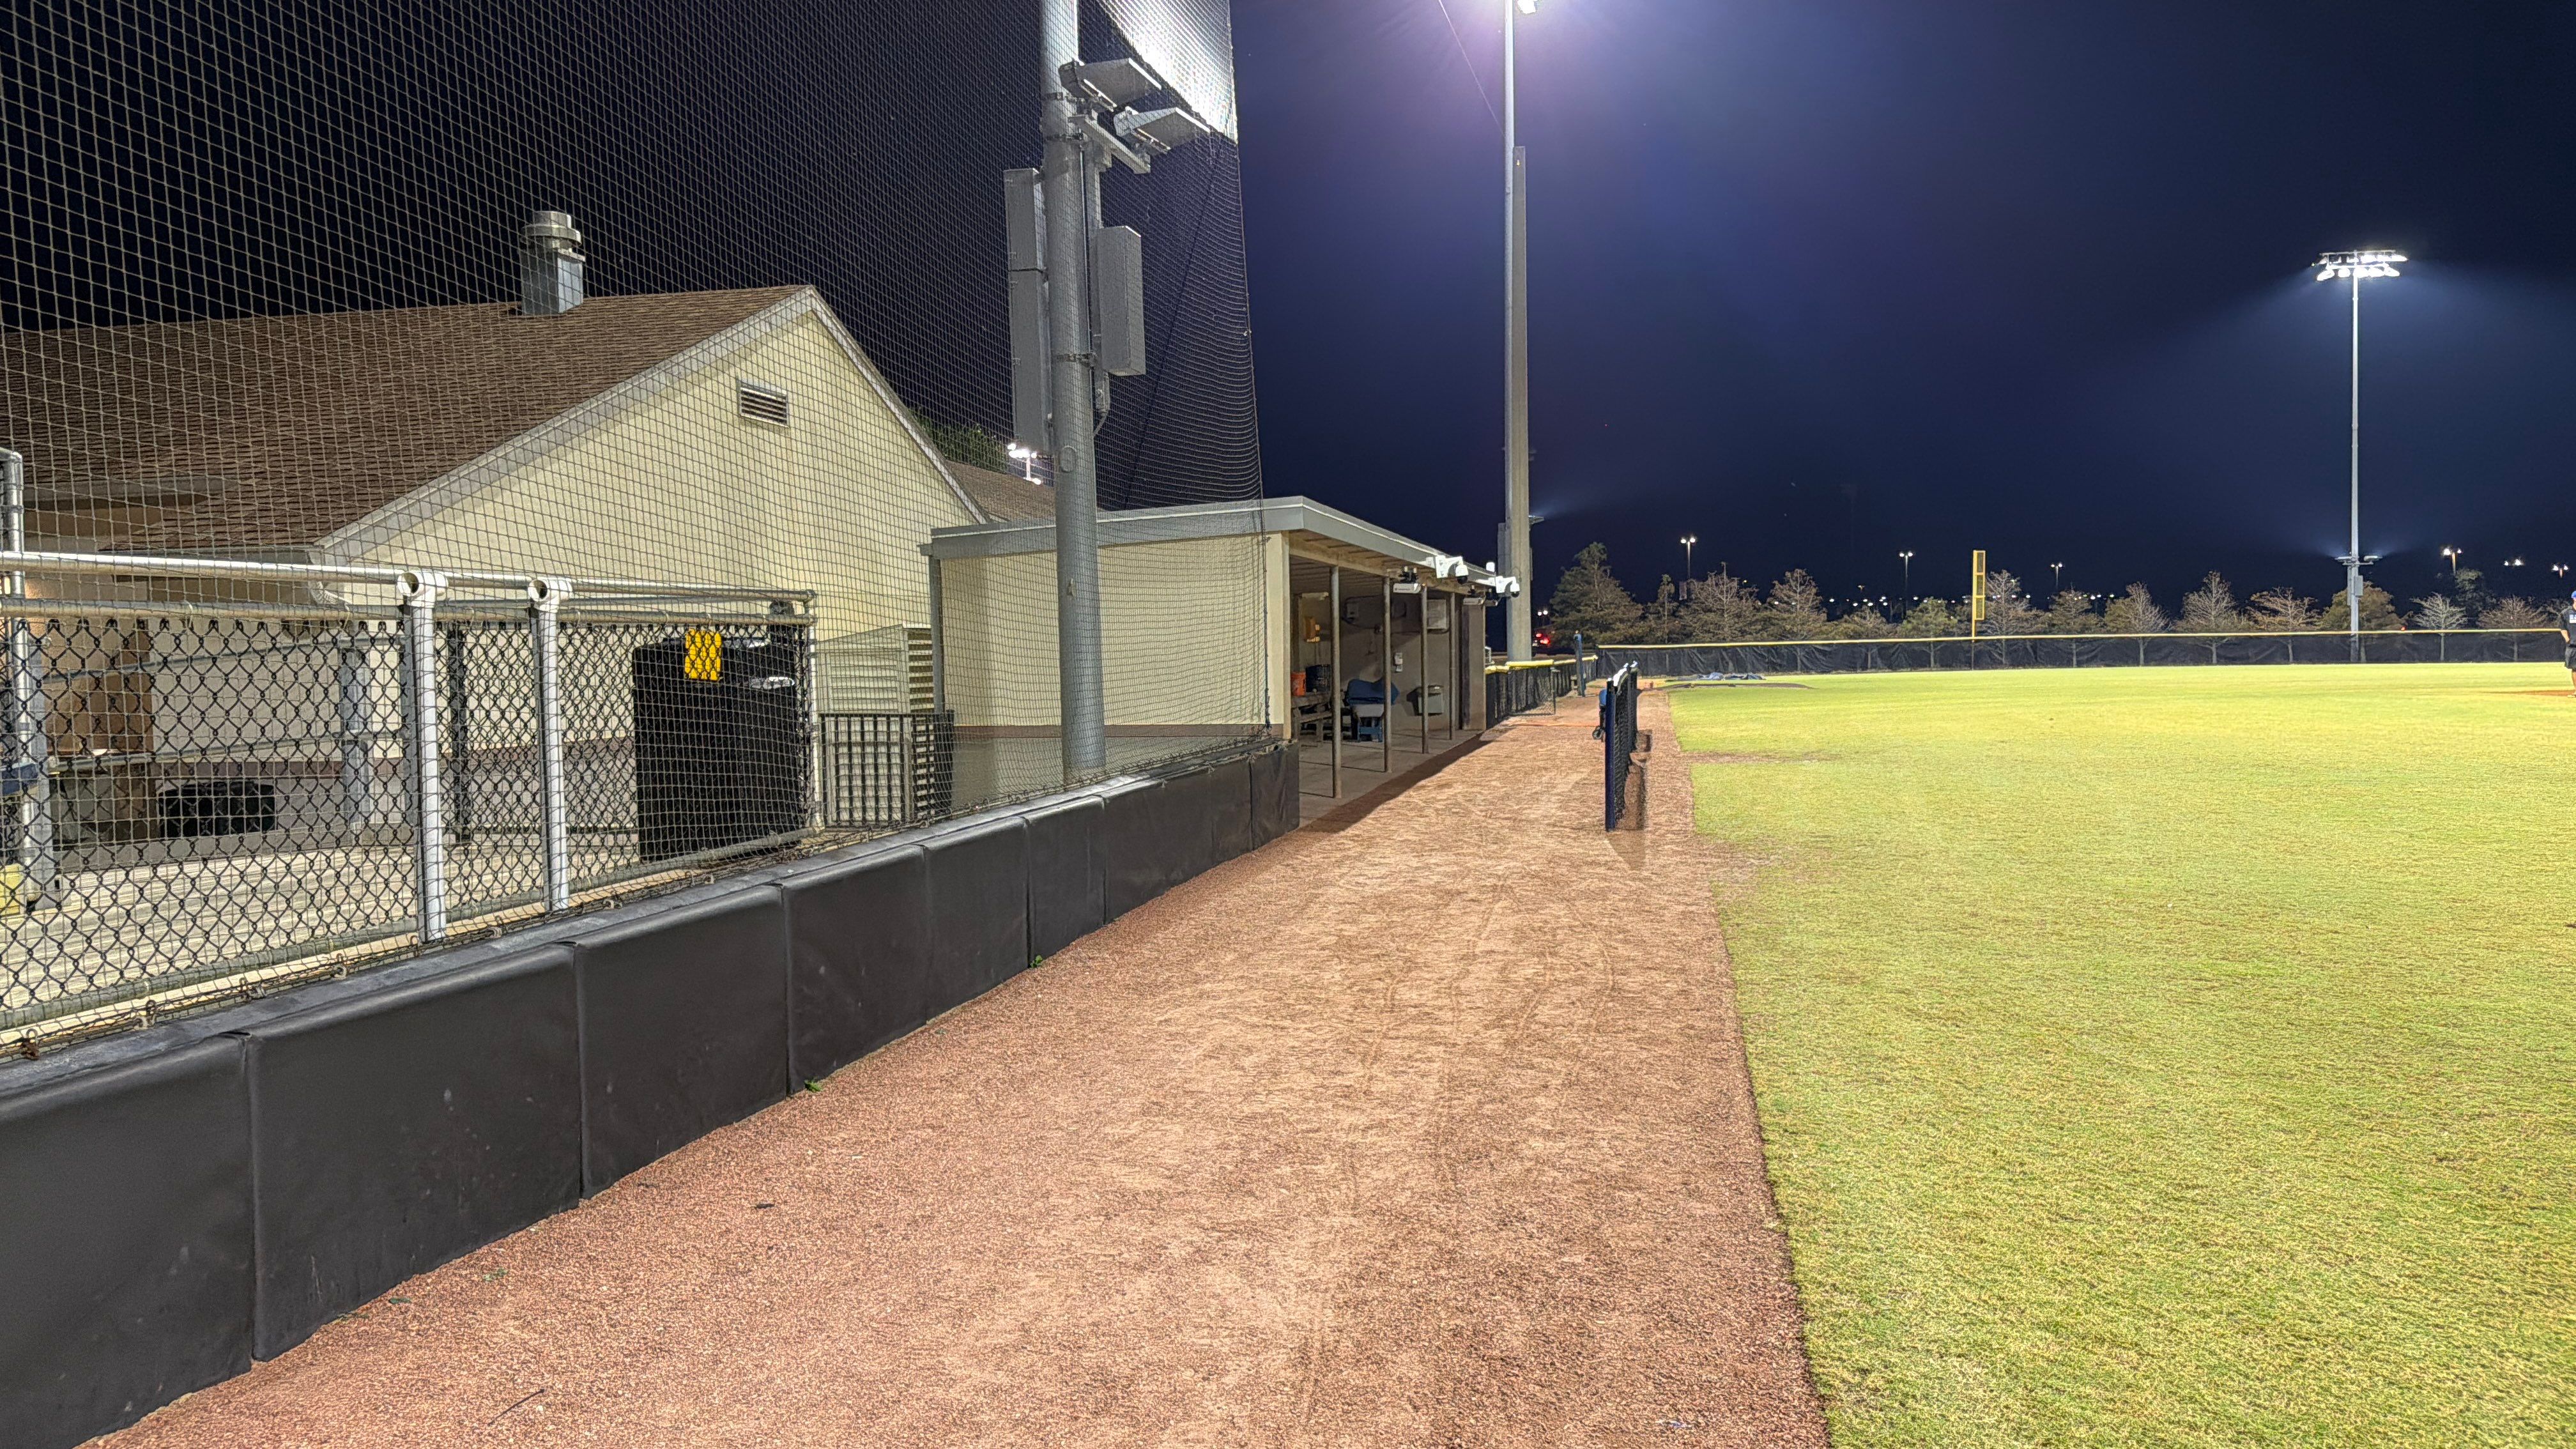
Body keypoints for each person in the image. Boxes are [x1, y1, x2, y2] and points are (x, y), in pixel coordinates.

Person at [2563, 591, 2576, 696]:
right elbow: (2563, 628)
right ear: (2574, 599)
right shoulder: (2567, 613)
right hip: (2573, 646)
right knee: (2575, 668)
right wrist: (2568, 640)